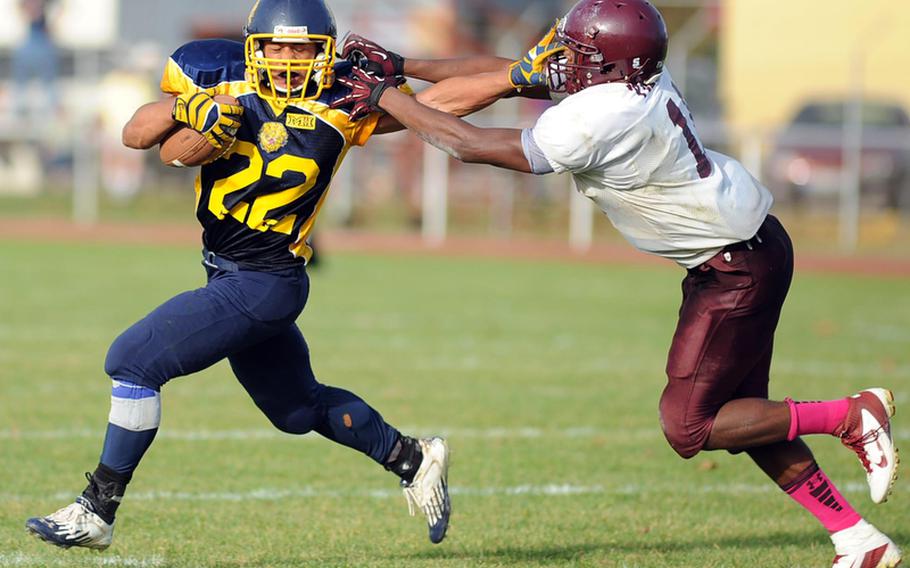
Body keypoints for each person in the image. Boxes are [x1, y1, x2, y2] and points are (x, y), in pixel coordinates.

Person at [332, 1, 902, 566]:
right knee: (744, 414)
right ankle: (856, 538)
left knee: (689, 425)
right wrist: (405, 65)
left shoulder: (602, 113)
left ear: (608, 64)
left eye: (580, 52)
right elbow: (513, 73)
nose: (566, 59)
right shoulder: (638, 76)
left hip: (734, 269)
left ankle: (850, 415)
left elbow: (471, 144)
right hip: (748, 246)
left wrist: (383, 96)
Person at [20, 0, 523, 550]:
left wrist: (521, 77)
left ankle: (97, 510)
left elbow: (443, 101)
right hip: (229, 274)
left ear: (322, 51)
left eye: (301, 47)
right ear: (254, 47)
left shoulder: (342, 100)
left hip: (265, 281)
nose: (287, 59)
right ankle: (412, 457)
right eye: (277, 46)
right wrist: (191, 107)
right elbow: (137, 134)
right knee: (296, 409)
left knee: (133, 360)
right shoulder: (223, 82)